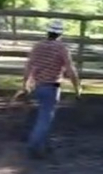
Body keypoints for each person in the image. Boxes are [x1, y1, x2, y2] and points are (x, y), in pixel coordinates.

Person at [21, 19, 81, 159]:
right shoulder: (61, 48)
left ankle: (44, 146)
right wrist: (77, 87)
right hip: (52, 86)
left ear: (48, 32)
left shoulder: (38, 46)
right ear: (60, 34)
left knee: (43, 115)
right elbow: (70, 69)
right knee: (45, 118)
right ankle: (33, 146)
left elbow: (29, 66)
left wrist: (25, 85)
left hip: (38, 86)